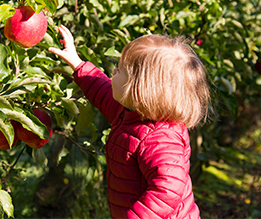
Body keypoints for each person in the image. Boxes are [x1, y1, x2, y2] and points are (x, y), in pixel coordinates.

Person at [49, 25, 212, 219]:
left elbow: (168, 189)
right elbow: (103, 92)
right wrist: (77, 63)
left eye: (121, 70)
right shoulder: (130, 113)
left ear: (139, 89)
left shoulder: (160, 138)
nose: (114, 72)